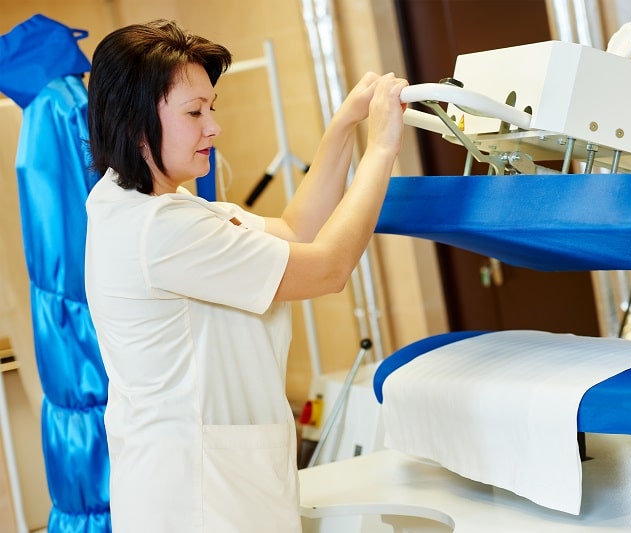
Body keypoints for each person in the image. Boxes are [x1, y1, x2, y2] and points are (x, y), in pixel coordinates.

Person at [84, 19, 407, 532]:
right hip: (195, 499)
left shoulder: (159, 207)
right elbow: (328, 268)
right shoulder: (157, 231)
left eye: (212, 108)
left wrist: (343, 126)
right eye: (194, 112)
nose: (213, 127)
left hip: (216, 482)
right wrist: (382, 150)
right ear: (134, 123)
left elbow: (295, 232)